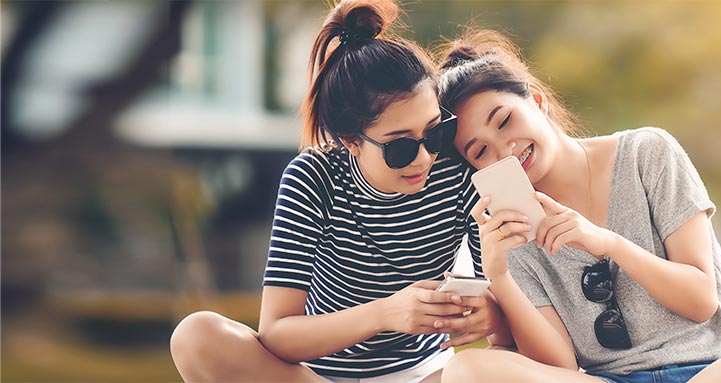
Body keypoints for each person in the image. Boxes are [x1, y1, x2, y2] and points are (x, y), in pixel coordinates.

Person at [431, 28, 721, 383]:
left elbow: (701, 301)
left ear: (536, 100)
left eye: (505, 121)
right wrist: (500, 276)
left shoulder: (647, 153)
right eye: (480, 151)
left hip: (719, 369)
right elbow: (559, 368)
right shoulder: (512, 230)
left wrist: (608, 243)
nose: (506, 150)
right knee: (467, 370)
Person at [168, 1, 503, 382]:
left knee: (484, 372)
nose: (424, 157)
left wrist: (488, 310)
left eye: (435, 131)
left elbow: (502, 300)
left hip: (422, 375)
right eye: (400, 147)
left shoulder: (458, 171)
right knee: (196, 335)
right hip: (314, 375)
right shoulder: (313, 177)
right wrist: (385, 313)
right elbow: (277, 333)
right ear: (350, 141)